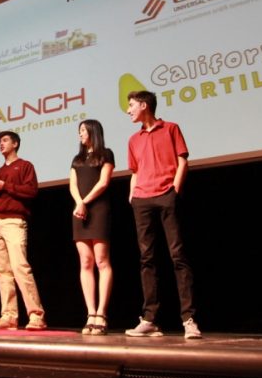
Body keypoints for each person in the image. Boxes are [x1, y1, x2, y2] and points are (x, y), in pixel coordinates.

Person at [124, 90, 202, 339]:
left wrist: (175, 190)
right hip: (142, 199)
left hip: (167, 194)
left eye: (132, 105)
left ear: (144, 105)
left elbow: (182, 161)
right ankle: (149, 319)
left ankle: (189, 320)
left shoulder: (170, 128)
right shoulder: (133, 139)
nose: (129, 110)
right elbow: (135, 171)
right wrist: (132, 194)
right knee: (146, 258)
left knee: (177, 255)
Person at [0, 130, 47, 330]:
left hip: (14, 221)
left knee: (20, 267)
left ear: (15, 144)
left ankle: (36, 315)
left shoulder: (25, 166)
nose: (0, 144)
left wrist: (5, 185)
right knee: (2, 271)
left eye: (4, 140)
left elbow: (31, 191)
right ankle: (9, 315)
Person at [69, 119, 115, 335]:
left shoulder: (106, 154)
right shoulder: (77, 159)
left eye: (84, 131)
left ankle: (101, 314)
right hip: (80, 212)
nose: (81, 134)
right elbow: (72, 184)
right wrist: (79, 203)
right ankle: (90, 313)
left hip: (97, 210)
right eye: (79, 131)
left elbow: (104, 182)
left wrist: (85, 202)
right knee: (85, 262)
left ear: (93, 132)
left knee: (101, 261)